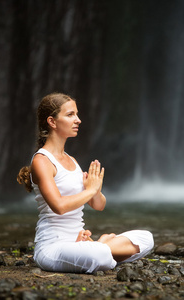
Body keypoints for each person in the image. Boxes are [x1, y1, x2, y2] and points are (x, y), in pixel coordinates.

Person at [17, 92, 154, 273]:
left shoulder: (71, 160)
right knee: (99, 255)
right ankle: (102, 246)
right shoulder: (42, 161)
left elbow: (98, 205)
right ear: (52, 121)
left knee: (146, 238)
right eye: (70, 114)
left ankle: (97, 246)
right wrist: (90, 191)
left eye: (77, 114)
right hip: (52, 247)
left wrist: (95, 191)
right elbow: (59, 206)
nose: (78, 120)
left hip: (78, 241)